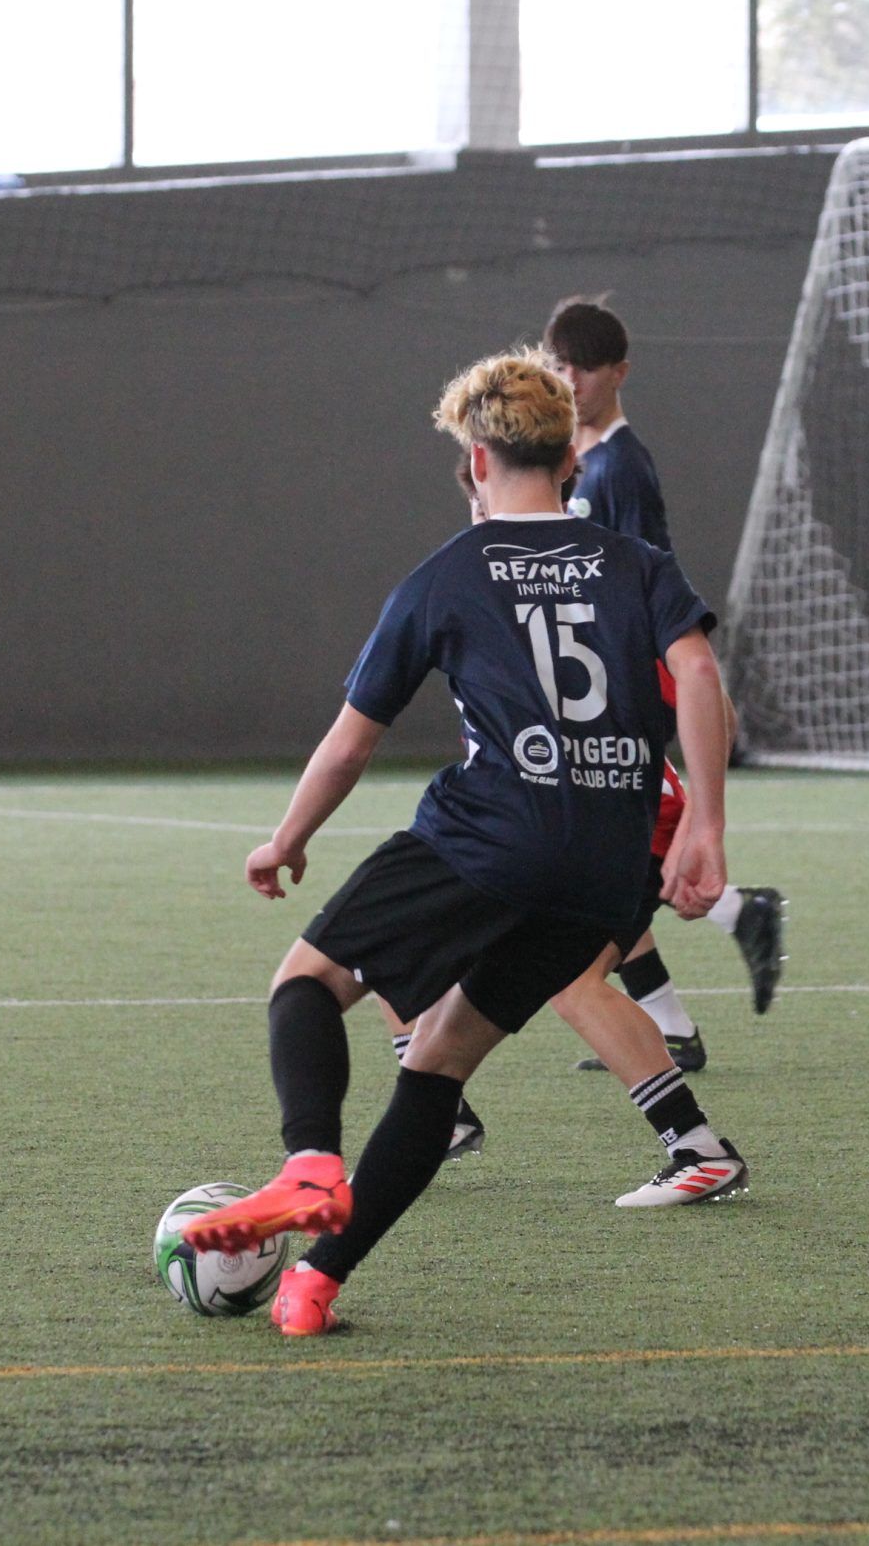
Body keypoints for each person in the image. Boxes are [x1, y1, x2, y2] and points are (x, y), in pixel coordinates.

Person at [181, 350, 740, 1335]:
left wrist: (285, 839)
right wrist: (705, 822)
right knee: (437, 1061)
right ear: (570, 459)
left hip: (490, 837)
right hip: (608, 872)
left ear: (478, 462)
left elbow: (352, 743)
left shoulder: (448, 575)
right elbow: (697, 677)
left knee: (306, 982)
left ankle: (310, 1163)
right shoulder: (636, 566)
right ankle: (313, 1287)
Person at [375, 459, 748, 1209]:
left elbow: (707, 696)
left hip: (619, 825)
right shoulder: (483, 586)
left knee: (571, 983)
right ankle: (442, 1113)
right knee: (391, 941)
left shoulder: (596, 588)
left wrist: (698, 821)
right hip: (541, 831)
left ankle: (697, 1147)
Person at [542, 295, 786, 1072]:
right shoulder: (567, 458)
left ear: (619, 373)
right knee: (613, 853)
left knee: (620, 850)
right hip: (591, 680)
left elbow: (646, 587)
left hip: (628, 681)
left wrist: (679, 691)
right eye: (560, 365)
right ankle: (686, 1001)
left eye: (584, 368)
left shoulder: (622, 467)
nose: (570, 381)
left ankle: (734, 919)